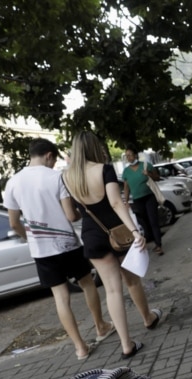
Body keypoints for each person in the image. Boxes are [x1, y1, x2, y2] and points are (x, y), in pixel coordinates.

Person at [3, 138, 115, 361]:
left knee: (60, 297)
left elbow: (14, 223)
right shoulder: (57, 177)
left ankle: (80, 347)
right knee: (86, 283)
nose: (53, 164)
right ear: (48, 155)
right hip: (67, 244)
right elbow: (71, 215)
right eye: (53, 160)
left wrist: (31, 237)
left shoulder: (13, 183)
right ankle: (101, 326)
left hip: (41, 251)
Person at [63, 131, 163, 359]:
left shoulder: (66, 177)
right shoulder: (104, 169)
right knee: (131, 279)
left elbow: (72, 213)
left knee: (111, 290)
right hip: (118, 233)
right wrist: (135, 232)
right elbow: (117, 203)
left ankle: (126, 345)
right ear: (93, 147)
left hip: (92, 235)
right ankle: (148, 318)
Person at [122, 145, 163, 255]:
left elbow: (157, 177)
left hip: (149, 197)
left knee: (153, 220)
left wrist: (148, 174)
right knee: (145, 222)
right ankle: (153, 241)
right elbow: (126, 187)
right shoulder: (126, 171)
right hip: (137, 200)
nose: (129, 157)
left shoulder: (145, 165)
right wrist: (126, 202)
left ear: (135, 155)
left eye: (130, 155)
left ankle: (159, 244)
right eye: (127, 156)